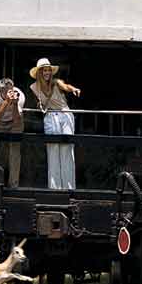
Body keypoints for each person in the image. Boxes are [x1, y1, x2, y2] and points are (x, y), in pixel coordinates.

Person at [29, 58, 81, 189]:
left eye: (48, 70)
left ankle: (69, 188)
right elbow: (37, 103)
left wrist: (73, 89)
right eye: (44, 70)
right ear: (39, 73)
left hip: (65, 114)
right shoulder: (34, 87)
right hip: (50, 116)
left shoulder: (56, 82)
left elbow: (66, 86)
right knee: (52, 151)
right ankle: (54, 189)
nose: (47, 72)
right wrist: (40, 105)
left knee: (67, 150)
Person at [0, 77, 25, 186]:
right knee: (0, 150)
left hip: (15, 123)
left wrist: (14, 104)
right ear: (0, 91)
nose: (9, 92)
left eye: (10, 89)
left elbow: (17, 120)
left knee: (15, 151)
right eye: (6, 91)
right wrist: (6, 102)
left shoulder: (20, 95)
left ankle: (13, 184)